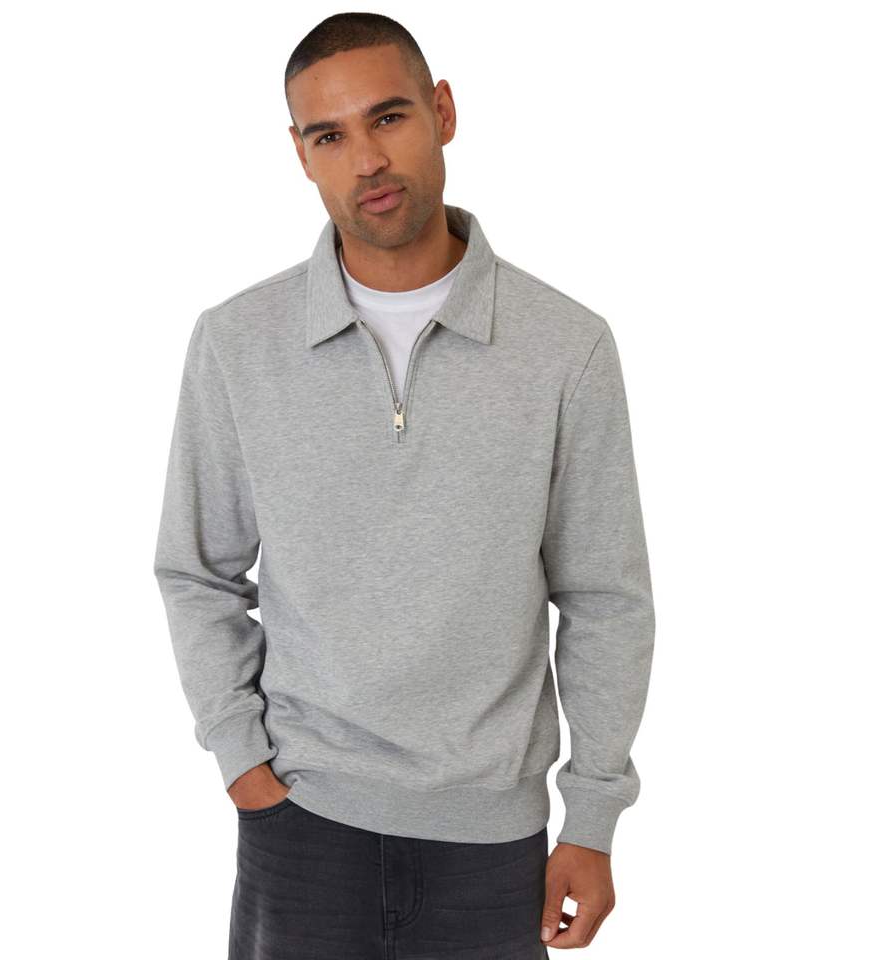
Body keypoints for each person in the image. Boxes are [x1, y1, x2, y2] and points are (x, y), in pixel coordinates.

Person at [153, 12, 655, 959]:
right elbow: (197, 571)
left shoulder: (566, 347)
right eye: (329, 136)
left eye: (388, 118)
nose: (368, 161)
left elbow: (605, 599)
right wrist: (242, 760)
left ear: (443, 113)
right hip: (301, 826)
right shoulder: (237, 343)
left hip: (493, 843)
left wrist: (591, 819)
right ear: (300, 154)